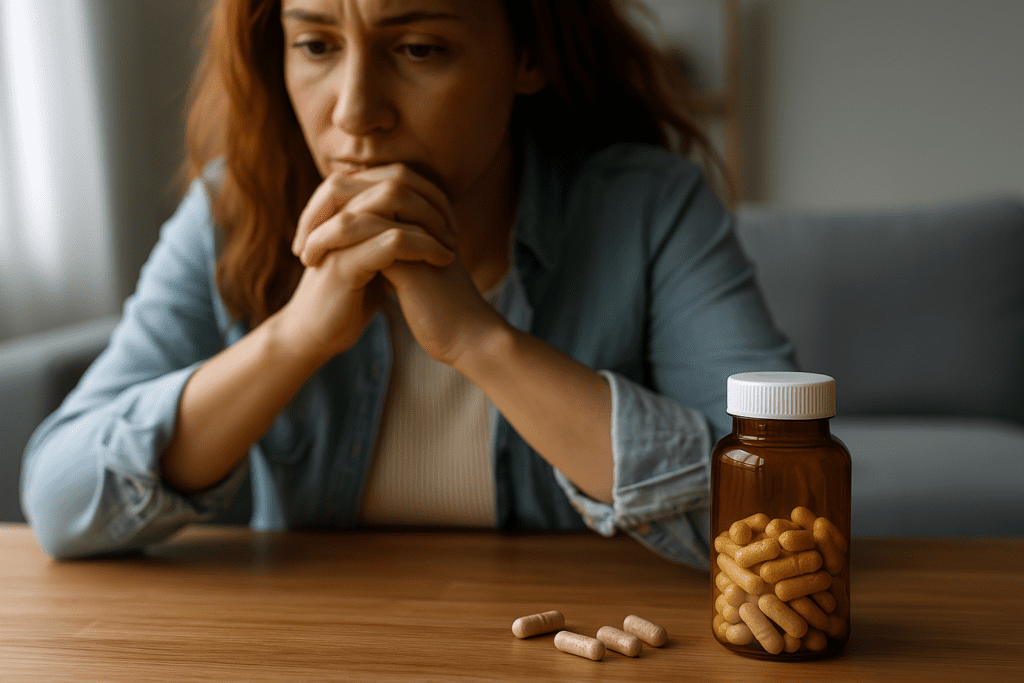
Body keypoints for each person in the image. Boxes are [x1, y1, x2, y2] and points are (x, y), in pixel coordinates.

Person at [20, 0, 795, 567]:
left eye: (420, 49)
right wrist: (295, 337)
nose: (355, 113)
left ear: (529, 54)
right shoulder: (234, 208)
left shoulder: (649, 206)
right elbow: (59, 500)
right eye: (316, 45)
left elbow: (784, 515)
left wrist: (477, 339)